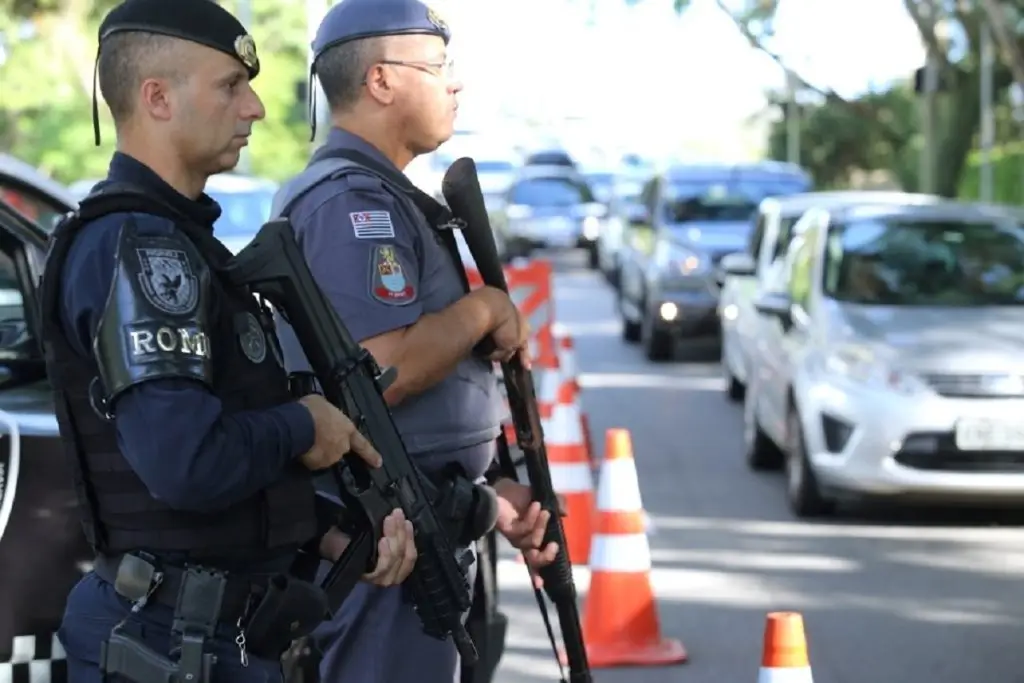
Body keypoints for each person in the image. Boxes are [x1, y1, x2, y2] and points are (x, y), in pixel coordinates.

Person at [37, 1, 418, 681]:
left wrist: (328, 531)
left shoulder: (184, 244)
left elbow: (225, 445)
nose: (256, 109)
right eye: (230, 86)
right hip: (167, 642)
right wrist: (304, 425)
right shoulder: (143, 249)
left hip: (209, 635)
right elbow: (187, 462)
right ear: (157, 98)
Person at [270, 1, 561, 682]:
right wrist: (484, 309)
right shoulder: (351, 206)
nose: (454, 82)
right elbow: (385, 370)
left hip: (427, 518)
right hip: (390, 537)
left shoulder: (382, 194)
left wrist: (494, 493)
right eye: (437, 66)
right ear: (381, 80)